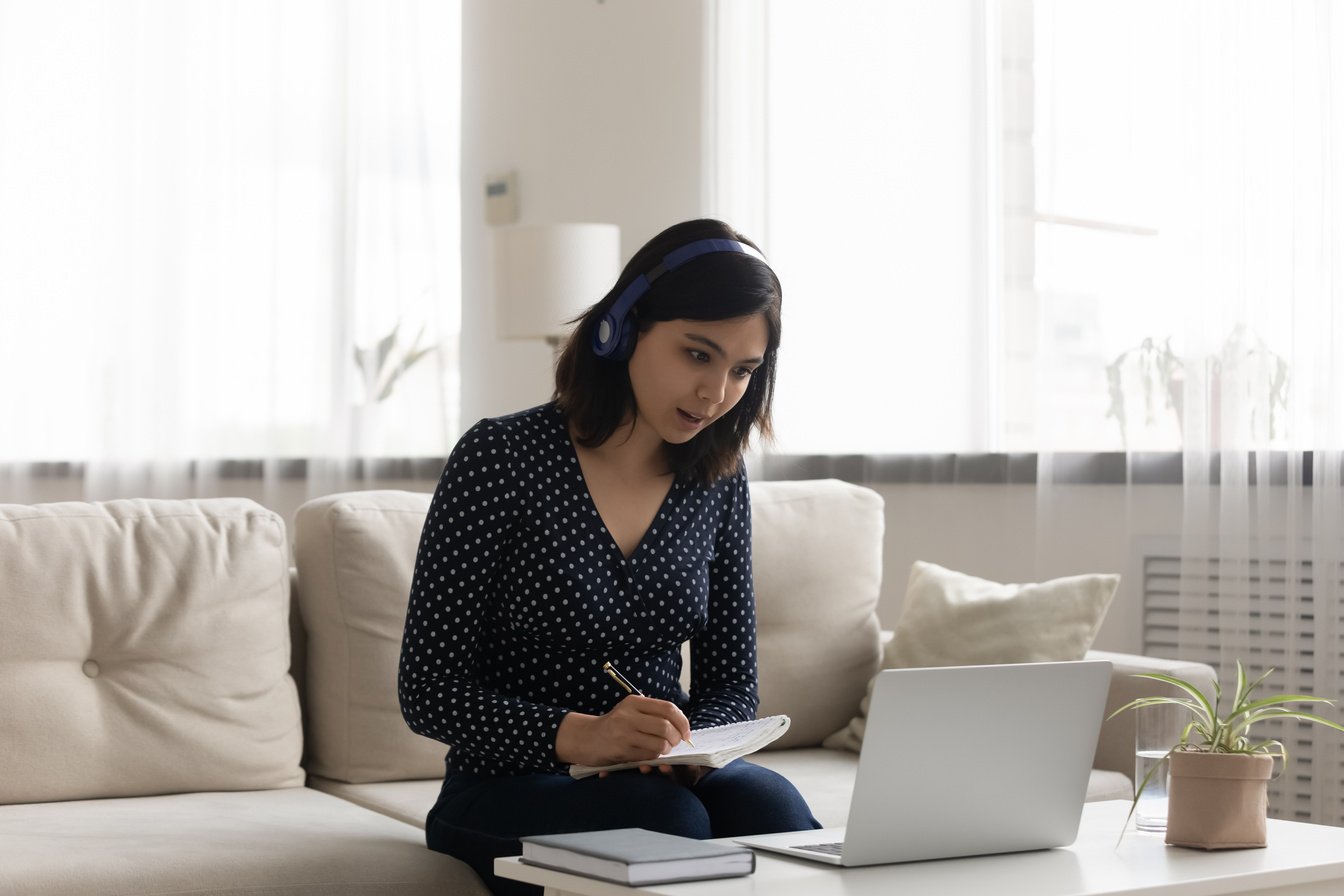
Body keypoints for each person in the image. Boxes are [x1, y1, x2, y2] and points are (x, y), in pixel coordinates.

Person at [397, 218, 820, 895]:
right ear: (621, 329)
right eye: (696, 354)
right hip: (506, 785)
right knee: (661, 819)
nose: (716, 394)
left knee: (767, 805)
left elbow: (732, 683)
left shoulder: (719, 477)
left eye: (743, 370)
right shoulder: (501, 458)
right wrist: (582, 737)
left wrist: (688, 750)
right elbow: (429, 693)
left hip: (657, 778)